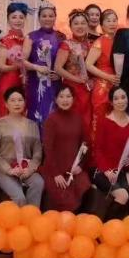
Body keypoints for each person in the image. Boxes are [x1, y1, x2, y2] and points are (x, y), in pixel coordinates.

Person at [91, 86, 129, 219]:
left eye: (123, 97)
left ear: (127, 99)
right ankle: (106, 226)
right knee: (123, 195)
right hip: (103, 172)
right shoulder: (104, 121)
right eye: (116, 98)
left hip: (120, 172)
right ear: (111, 102)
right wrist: (107, 171)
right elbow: (97, 150)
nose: (120, 101)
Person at [0, 86, 44, 206]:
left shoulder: (32, 125)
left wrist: (30, 169)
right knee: (19, 197)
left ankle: (32, 214)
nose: (17, 103)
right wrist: (9, 170)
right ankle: (20, 217)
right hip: (4, 169)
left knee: (38, 182)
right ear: (6, 104)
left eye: (20, 100)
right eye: (12, 100)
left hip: (25, 169)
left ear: (24, 102)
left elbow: (37, 152)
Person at [41, 84, 92, 212]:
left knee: (85, 187)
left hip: (73, 170)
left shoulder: (78, 118)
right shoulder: (51, 120)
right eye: (61, 96)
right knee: (65, 200)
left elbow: (86, 144)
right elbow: (48, 149)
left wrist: (80, 166)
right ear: (56, 99)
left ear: (73, 99)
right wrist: (56, 174)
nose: (65, 100)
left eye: (68, 96)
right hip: (55, 170)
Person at [21, 0, 65, 125]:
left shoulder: (61, 37)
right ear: (39, 18)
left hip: (54, 83)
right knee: (37, 115)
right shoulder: (31, 36)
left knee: (53, 114)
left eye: (51, 16)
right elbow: (23, 61)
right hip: (36, 83)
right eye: (44, 16)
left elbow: (66, 63)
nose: (47, 19)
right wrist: (37, 67)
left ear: (55, 17)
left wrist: (60, 75)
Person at [85, 9, 120, 144]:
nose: (112, 23)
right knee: (100, 120)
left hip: (117, 85)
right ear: (102, 24)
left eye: (114, 20)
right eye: (108, 21)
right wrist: (107, 76)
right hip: (103, 86)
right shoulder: (99, 42)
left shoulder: (120, 41)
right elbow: (88, 65)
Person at [55, 9, 94, 124]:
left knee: (87, 120)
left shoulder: (91, 45)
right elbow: (58, 68)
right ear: (71, 27)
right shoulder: (66, 44)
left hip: (88, 89)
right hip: (72, 89)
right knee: (73, 120)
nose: (80, 26)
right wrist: (77, 80)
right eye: (76, 23)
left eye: (83, 23)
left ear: (87, 25)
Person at [0, 2, 28, 118]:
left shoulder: (27, 41)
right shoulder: (4, 41)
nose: (18, 20)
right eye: (14, 17)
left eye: (21, 17)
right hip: (8, 83)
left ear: (25, 20)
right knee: (6, 117)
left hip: (24, 84)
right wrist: (18, 66)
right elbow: (1, 67)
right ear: (8, 19)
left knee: (22, 117)